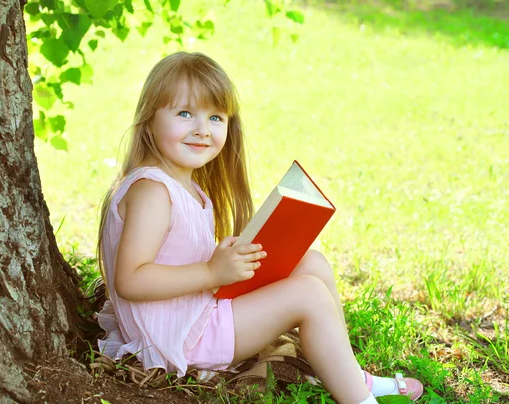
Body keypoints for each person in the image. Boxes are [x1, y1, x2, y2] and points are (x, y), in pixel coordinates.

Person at [95, 51, 423, 404]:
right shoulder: (153, 191)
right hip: (181, 339)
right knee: (308, 295)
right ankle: (360, 400)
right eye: (185, 113)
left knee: (312, 264)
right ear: (149, 119)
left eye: (215, 117)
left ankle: (352, 377)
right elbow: (131, 280)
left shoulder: (184, 186)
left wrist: (229, 262)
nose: (202, 130)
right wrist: (211, 271)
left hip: (195, 314)